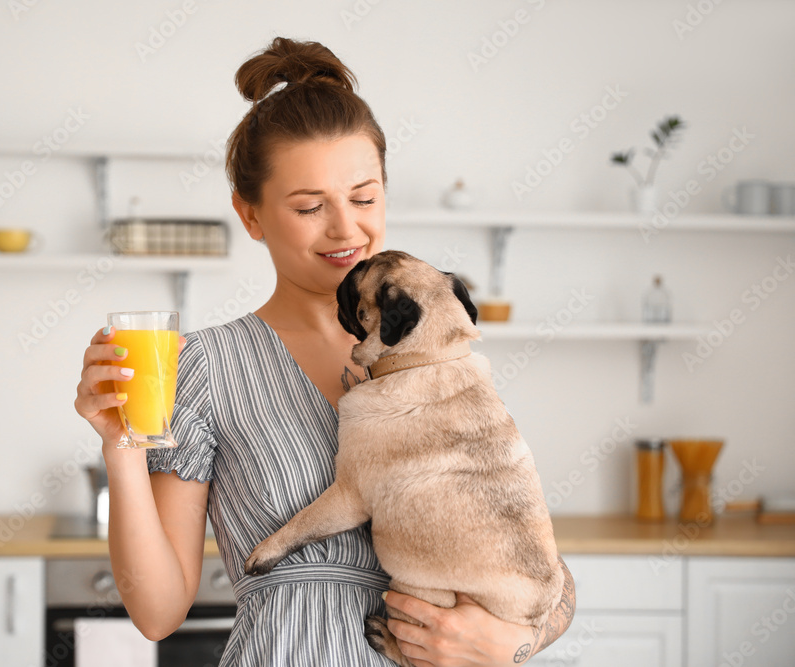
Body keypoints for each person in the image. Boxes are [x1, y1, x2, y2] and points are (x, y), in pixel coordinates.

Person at [74, 36, 576, 666]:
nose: (346, 230)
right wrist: (119, 445)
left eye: (364, 198)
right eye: (311, 207)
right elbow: (157, 612)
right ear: (250, 214)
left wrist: (518, 642)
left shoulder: (432, 351)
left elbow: (540, 563)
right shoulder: (203, 367)